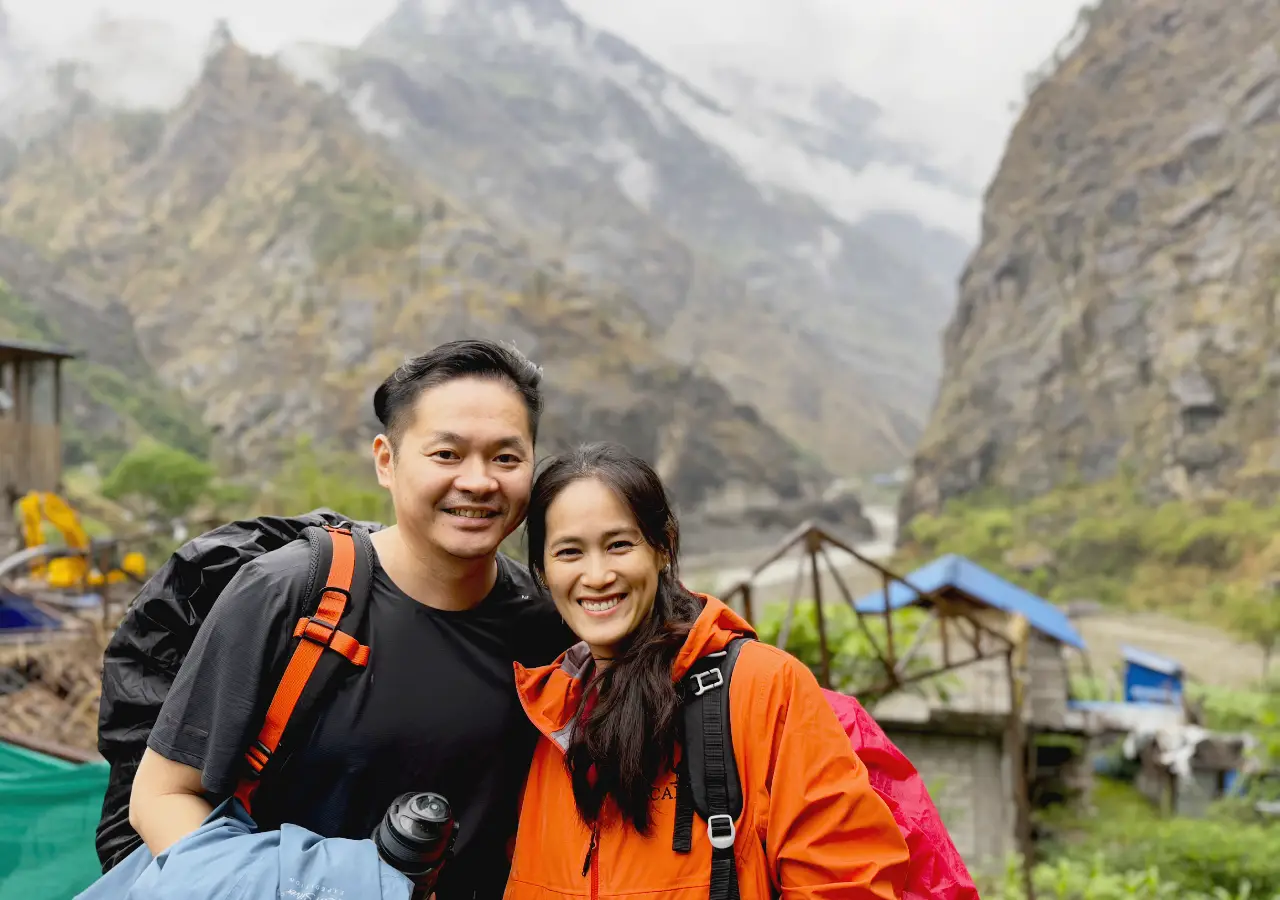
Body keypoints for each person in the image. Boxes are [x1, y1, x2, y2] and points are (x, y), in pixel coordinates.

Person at [127, 340, 574, 900]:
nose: (479, 482)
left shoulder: (549, 626)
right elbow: (160, 799)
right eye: (447, 455)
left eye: (506, 458)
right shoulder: (290, 594)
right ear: (386, 461)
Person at [505, 442, 911, 900]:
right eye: (569, 552)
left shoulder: (762, 689)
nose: (597, 575)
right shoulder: (546, 716)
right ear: (541, 569)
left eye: (619, 545)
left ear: (663, 547)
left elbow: (846, 885)